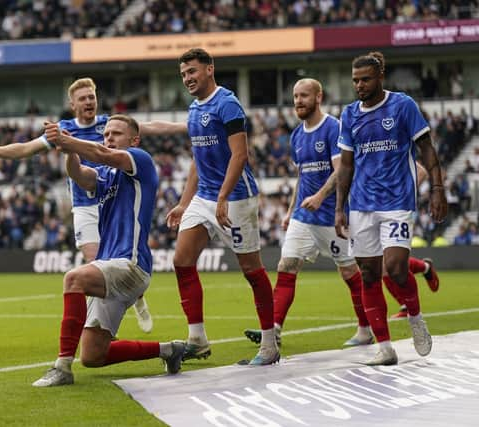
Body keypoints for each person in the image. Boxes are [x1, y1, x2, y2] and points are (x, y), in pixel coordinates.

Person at [0, 78, 186, 333]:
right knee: (95, 261)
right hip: (85, 205)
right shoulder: (64, 129)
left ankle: (130, 299)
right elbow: (28, 147)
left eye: (92, 96)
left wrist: (184, 126)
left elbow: (150, 127)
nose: (89, 101)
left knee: (113, 261)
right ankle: (102, 322)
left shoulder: (109, 125)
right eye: (83, 98)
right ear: (73, 104)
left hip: (115, 200)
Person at [31, 115, 185, 387]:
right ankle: (169, 350)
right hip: (110, 266)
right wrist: (69, 152)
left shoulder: (140, 160)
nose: (109, 138)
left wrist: (68, 140)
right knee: (92, 355)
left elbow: (102, 154)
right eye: (106, 134)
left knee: (73, 279)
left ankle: (62, 367)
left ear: (134, 140)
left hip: (130, 264)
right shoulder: (106, 174)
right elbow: (80, 175)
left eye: (116, 133)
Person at [166, 48, 279, 366]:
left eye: (192, 71)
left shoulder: (227, 103)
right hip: (204, 198)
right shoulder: (192, 109)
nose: (188, 78)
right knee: (182, 261)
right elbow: (196, 161)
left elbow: (240, 155)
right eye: (184, 74)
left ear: (210, 69)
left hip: (237, 199)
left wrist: (223, 197)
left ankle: (269, 346)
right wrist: (184, 203)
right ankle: (197, 339)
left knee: (252, 272)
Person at [335, 51, 448, 366]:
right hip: (360, 205)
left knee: (396, 268)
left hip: (397, 201)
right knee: (369, 275)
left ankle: (415, 316)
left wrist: (437, 189)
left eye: (365, 79)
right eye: (355, 80)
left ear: (380, 76)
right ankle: (385, 348)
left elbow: (427, 150)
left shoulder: (403, 106)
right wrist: (339, 208)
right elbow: (345, 166)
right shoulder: (349, 114)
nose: (359, 85)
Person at [243, 78, 372, 349]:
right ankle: (275, 329)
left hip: (332, 217)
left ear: (318, 97)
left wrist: (320, 196)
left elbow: (342, 170)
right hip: (304, 217)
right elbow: (302, 177)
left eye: (304, 96)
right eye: (295, 96)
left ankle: (365, 328)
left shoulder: (333, 128)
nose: (298, 101)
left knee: (350, 272)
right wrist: (291, 211)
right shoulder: (296, 135)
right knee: (286, 266)